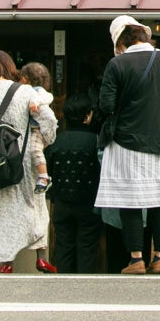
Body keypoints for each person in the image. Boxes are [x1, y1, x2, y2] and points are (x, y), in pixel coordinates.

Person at [95, 15, 160, 275]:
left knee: (130, 201)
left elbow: (106, 105)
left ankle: (136, 259)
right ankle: (159, 258)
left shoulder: (117, 64)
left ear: (122, 40)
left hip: (126, 141)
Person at [0, 50, 57, 273]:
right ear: (9, 67)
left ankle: (5, 262)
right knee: (33, 205)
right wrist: (42, 142)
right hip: (23, 161)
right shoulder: (25, 91)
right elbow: (48, 120)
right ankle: (41, 257)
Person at [45, 90, 103, 274]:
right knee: (86, 250)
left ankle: (63, 290)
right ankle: (84, 291)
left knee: (63, 248)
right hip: (89, 204)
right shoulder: (96, 141)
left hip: (61, 203)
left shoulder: (56, 141)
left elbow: (48, 171)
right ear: (88, 116)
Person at [19, 62, 56, 195]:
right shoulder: (27, 91)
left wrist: (36, 101)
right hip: (32, 129)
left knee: (35, 150)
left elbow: (48, 97)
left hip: (38, 129)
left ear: (29, 78)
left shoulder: (37, 91)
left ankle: (44, 177)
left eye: (22, 76)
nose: (19, 79)